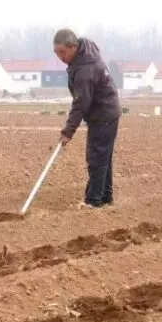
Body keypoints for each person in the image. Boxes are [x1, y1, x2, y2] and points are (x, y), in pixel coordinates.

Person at [53, 29, 122, 209]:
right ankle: (105, 197)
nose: (60, 57)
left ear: (73, 47)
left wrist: (68, 131)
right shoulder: (85, 53)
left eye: (62, 52)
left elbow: (80, 103)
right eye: (56, 53)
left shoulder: (85, 70)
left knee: (97, 158)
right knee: (103, 158)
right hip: (109, 110)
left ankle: (93, 201)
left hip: (103, 114)